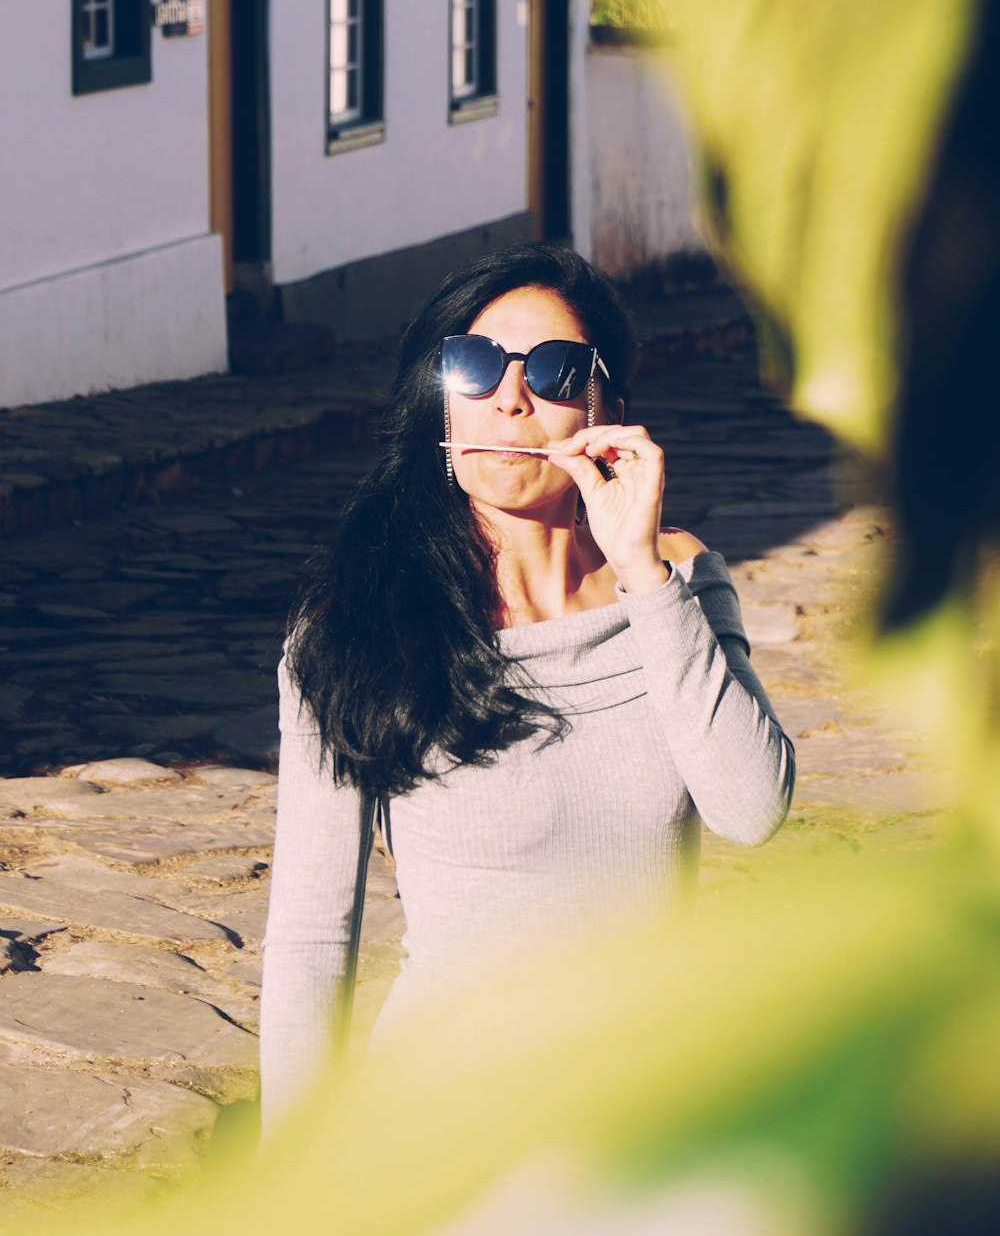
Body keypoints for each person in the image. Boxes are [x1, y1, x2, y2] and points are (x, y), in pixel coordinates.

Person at [259, 244, 795, 1127]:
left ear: (606, 408)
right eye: (472, 365)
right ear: (440, 399)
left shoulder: (677, 580)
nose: (509, 396)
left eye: (552, 370)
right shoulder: (353, 624)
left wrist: (643, 574)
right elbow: (314, 939)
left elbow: (752, 808)